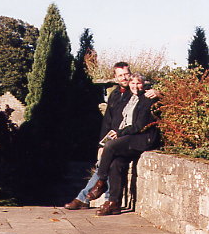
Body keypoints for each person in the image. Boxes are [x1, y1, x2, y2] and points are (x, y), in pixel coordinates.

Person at [64, 62, 159, 210]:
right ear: (115, 77)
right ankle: (101, 200)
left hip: (128, 136)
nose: (125, 78)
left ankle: (86, 197)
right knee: (108, 160)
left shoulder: (137, 91)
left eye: (127, 74)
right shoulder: (115, 94)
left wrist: (158, 92)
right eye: (121, 75)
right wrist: (101, 144)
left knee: (107, 159)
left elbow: (150, 93)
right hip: (115, 136)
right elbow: (107, 122)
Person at [86, 73, 160, 216]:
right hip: (128, 137)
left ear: (144, 84)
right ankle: (114, 203)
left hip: (142, 138)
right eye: (133, 83)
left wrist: (119, 133)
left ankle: (100, 182)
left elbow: (139, 125)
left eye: (138, 83)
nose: (135, 86)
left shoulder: (148, 99)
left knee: (110, 146)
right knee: (116, 164)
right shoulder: (130, 97)